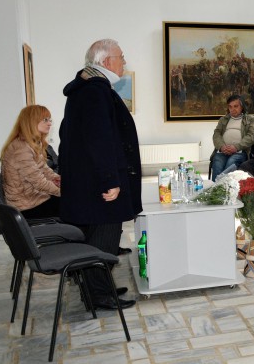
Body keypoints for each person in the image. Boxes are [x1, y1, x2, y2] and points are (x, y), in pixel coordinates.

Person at [59, 39, 141, 310]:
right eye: (121, 57)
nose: (124, 62)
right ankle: (99, 295)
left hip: (88, 181)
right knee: (104, 239)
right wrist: (110, 180)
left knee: (99, 237)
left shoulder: (86, 88)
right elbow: (100, 139)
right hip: (99, 183)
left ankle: (98, 287)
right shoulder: (95, 91)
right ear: (106, 62)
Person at [0, 105, 61, 219]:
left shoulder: (32, 143)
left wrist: (59, 179)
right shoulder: (20, 148)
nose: (49, 123)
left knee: (76, 201)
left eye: (49, 119)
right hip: (27, 207)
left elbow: (44, 169)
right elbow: (39, 182)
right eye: (45, 120)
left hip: (35, 199)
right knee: (75, 204)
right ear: (31, 121)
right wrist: (65, 191)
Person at [211, 95, 254, 181]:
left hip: (240, 151)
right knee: (217, 163)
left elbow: (251, 137)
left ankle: (225, 190)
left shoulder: (251, 119)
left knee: (231, 163)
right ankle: (215, 191)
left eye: (236, 106)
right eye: (230, 107)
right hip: (222, 151)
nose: (233, 109)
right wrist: (222, 147)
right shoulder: (223, 119)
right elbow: (216, 134)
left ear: (242, 106)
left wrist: (236, 147)